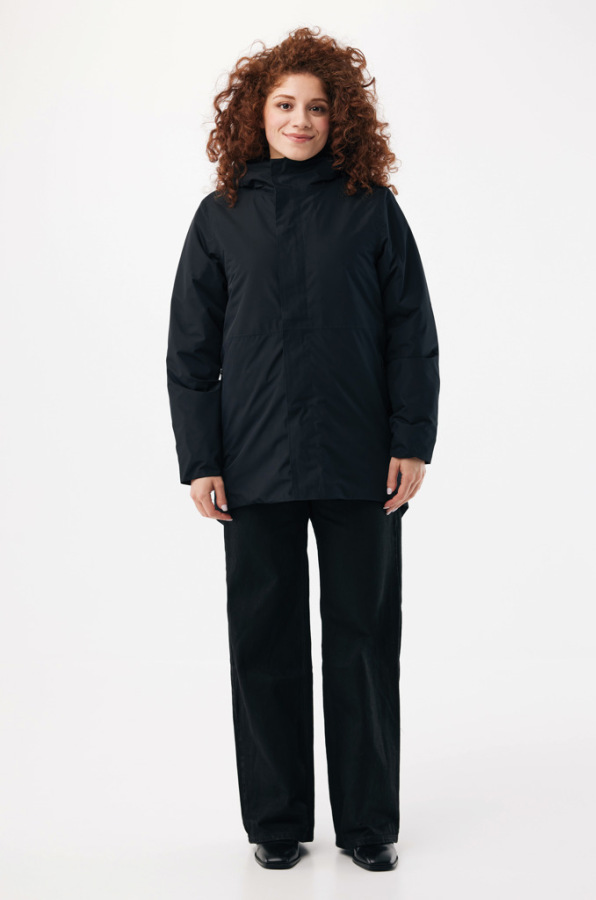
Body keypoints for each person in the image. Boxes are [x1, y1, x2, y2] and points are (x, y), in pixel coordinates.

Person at [166, 26, 440, 872]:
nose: (300, 120)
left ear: (339, 119)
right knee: (264, 642)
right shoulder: (221, 217)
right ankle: (277, 822)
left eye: (317, 108)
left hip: (362, 462)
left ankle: (368, 825)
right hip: (253, 465)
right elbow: (191, 351)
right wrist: (201, 459)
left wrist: (412, 440)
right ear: (255, 113)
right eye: (284, 104)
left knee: (363, 640)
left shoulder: (372, 208)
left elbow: (410, 333)